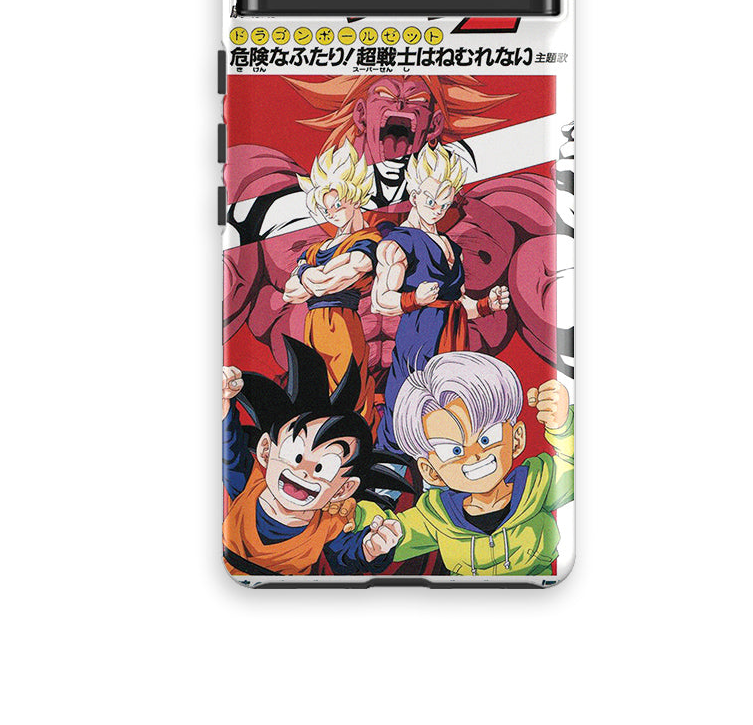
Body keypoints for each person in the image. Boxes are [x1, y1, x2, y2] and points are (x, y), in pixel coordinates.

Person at [221, 336, 409, 577]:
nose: (303, 472)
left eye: (324, 468)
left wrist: (371, 547)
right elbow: (229, 448)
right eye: (295, 455)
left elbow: (347, 557)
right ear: (266, 450)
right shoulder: (249, 481)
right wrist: (224, 403)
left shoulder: (329, 524)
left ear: (344, 489)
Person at [376, 351, 573, 578]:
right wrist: (370, 530)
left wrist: (564, 426)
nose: (475, 455)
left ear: (516, 439)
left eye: (487, 438)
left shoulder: (539, 484)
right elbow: (393, 532)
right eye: (453, 451)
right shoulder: (437, 515)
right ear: (430, 472)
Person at [371, 143, 509, 452]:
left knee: (451, 409)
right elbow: (379, 300)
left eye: (444, 204)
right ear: (414, 196)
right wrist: (413, 299)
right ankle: (391, 465)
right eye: (431, 200)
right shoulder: (398, 244)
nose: (437, 209)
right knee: (409, 404)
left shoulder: (451, 246)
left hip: (454, 337)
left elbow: (459, 303)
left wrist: (486, 305)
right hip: (420, 338)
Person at [284, 142, 381, 432]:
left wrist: (306, 272)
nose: (332, 213)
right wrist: (315, 275)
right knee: (313, 395)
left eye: (337, 204)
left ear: (355, 197)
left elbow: (332, 280)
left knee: (348, 394)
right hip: (312, 327)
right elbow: (290, 292)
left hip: (342, 326)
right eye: (326, 208)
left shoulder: (369, 241)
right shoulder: (318, 248)